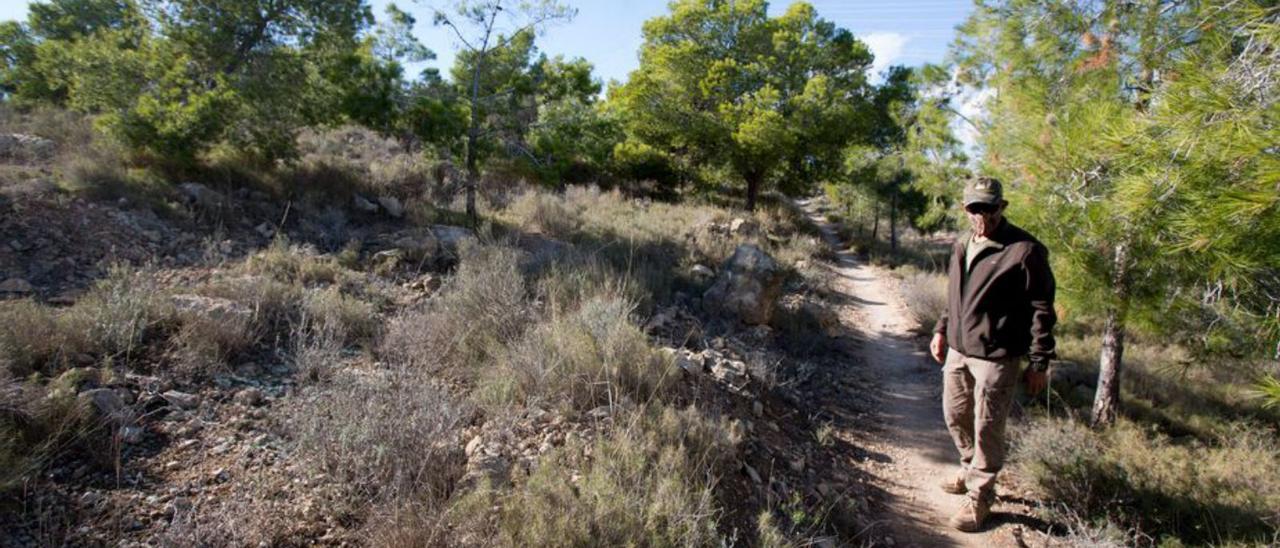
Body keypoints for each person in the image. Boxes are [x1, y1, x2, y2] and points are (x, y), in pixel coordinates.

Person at [929, 176, 1057, 532]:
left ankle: (981, 496)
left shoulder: (1025, 250)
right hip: (959, 348)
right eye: (975, 208)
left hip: (998, 356)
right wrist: (941, 330)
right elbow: (955, 295)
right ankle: (969, 468)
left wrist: (1039, 360)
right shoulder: (961, 244)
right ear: (964, 209)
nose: (982, 215)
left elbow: (1042, 308)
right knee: (955, 415)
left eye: (989, 207)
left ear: (1002, 207)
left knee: (987, 426)